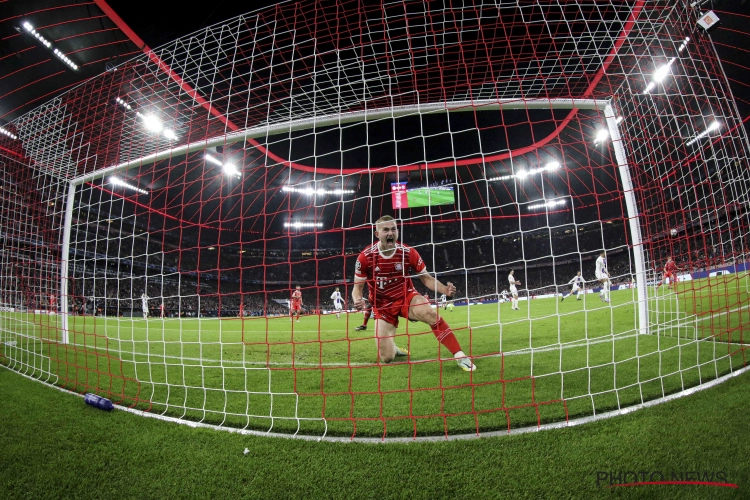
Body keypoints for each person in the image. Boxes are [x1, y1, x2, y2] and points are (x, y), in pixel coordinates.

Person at [352, 216, 475, 371]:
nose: (390, 233)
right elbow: (358, 287)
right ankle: (393, 348)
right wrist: (357, 299)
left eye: (393, 229)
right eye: (386, 230)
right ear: (377, 234)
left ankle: (460, 355)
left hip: (406, 297)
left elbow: (426, 279)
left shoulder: (408, 252)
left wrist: (445, 289)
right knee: (387, 358)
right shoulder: (366, 257)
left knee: (430, 313)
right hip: (382, 305)